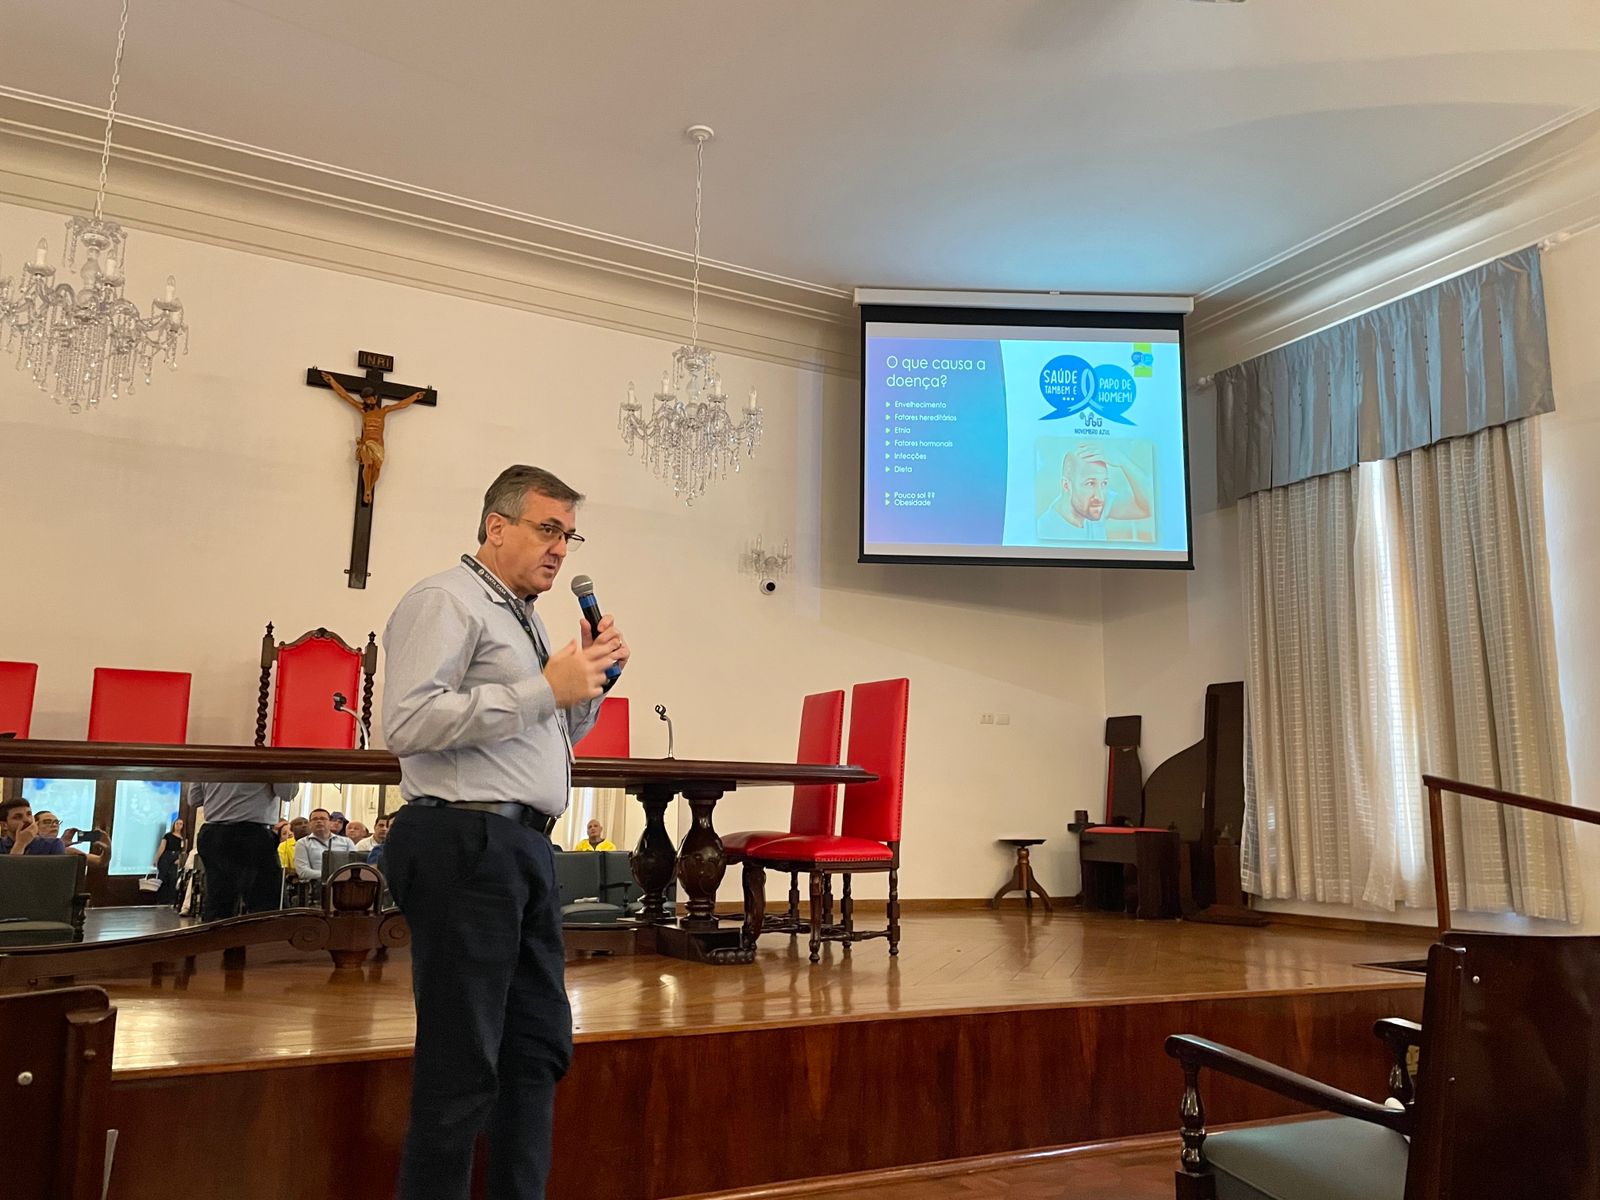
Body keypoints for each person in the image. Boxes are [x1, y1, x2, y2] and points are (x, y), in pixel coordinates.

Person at [382, 464, 628, 1200]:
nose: (561, 549)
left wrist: (587, 689)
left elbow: (543, 734)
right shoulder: (445, 601)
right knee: (461, 1065)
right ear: (496, 526)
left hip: (521, 847)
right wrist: (545, 687)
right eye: (547, 529)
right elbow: (408, 722)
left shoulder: (524, 618)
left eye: (569, 534)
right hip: (464, 841)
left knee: (536, 1048)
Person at [186, 781, 296, 919]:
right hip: (252, 835)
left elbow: (194, 798)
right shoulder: (269, 764)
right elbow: (288, 792)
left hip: (214, 833)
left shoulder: (206, 764)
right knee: (266, 904)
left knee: (219, 902)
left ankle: (216, 931)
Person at [1036, 442, 1152, 541]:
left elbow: (1148, 508)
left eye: (1104, 483)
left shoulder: (1097, 503)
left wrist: (1123, 461)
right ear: (1066, 486)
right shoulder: (1044, 531)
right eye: (1090, 483)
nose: (1100, 497)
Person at [1, 799, 110, 864]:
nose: (27, 820)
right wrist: (20, 844)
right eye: (18, 817)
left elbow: (99, 861)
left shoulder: (54, 844)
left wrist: (107, 851)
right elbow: (7, 882)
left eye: (29, 814)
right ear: (4, 825)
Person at [292, 808, 357, 881]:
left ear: (329, 822)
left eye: (323, 818)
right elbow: (303, 872)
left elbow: (355, 865)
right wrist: (333, 875)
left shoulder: (347, 842)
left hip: (344, 883)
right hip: (316, 884)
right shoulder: (302, 843)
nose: (319, 821)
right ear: (310, 824)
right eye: (315, 819)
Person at [153, 817, 186, 904]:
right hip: (166, 857)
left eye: (180, 824)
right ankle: (161, 900)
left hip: (176, 858)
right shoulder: (167, 836)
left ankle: (171, 900)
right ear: (174, 825)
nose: (178, 825)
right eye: (177, 823)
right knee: (163, 878)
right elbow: (162, 847)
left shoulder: (183, 838)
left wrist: (180, 859)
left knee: (173, 879)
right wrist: (156, 858)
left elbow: (184, 851)